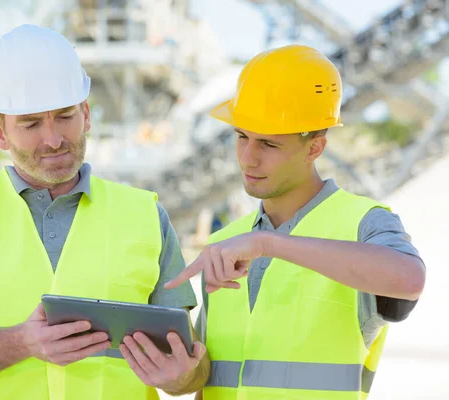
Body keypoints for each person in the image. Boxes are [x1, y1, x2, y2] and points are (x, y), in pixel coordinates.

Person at [0, 24, 209, 400]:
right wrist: (20, 343)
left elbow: (191, 370)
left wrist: (180, 378)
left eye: (65, 116)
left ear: (86, 114)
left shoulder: (146, 216)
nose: (54, 139)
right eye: (30, 124)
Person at [166, 44, 426, 400]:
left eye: (269, 145)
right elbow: (213, 380)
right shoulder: (227, 240)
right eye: (242, 137)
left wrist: (268, 244)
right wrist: (178, 378)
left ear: (315, 148)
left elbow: (410, 278)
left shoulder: (362, 223)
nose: (248, 159)